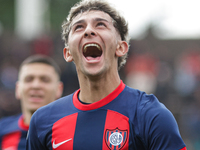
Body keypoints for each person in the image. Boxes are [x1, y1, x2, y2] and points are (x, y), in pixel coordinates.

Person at [26, 0, 187, 149]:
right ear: (68, 53)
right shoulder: (43, 121)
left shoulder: (151, 115)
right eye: (79, 27)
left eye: (101, 25)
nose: (89, 30)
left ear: (121, 47)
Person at [0, 55, 63, 150]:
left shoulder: (71, 130)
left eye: (44, 80)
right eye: (29, 79)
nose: (36, 85)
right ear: (18, 89)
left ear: (59, 89)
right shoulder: (3, 130)